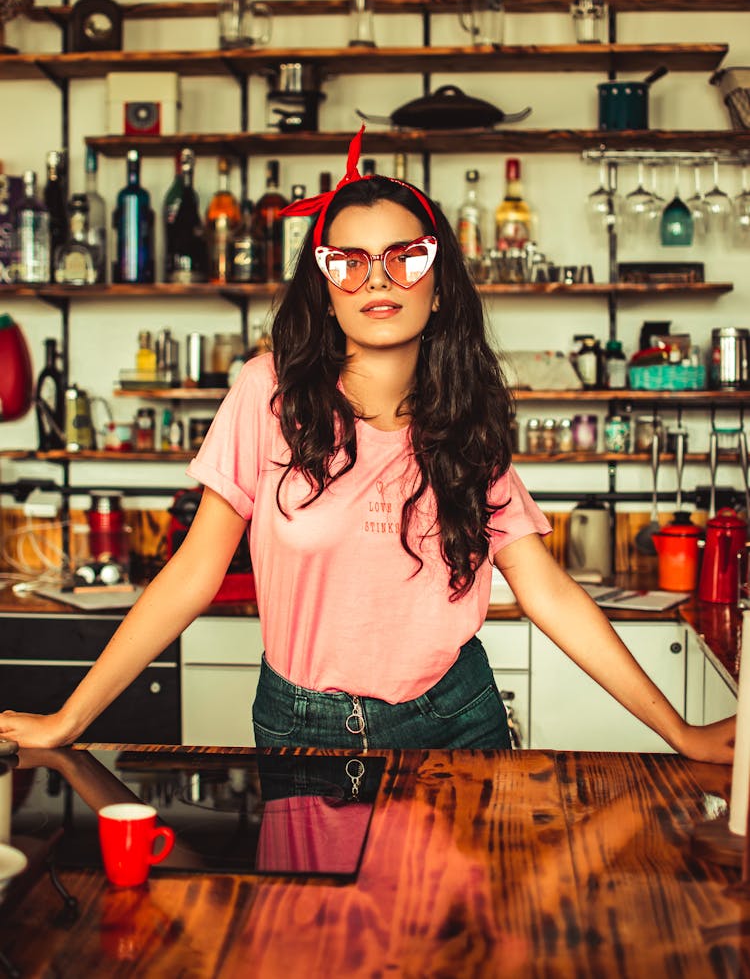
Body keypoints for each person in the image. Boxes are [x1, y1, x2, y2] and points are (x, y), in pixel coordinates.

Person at [0, 128, 735, 760]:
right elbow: (192, 574)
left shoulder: (466, 419)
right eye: (347, 261)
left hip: (456, 721)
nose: (376, 278)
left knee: (462, 929)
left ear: (438, 283)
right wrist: (69, 718)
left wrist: (683, 732)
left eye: (403, 257)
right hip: (299, 728)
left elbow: (546, 590)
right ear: (324, 288)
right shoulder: (268, 395)